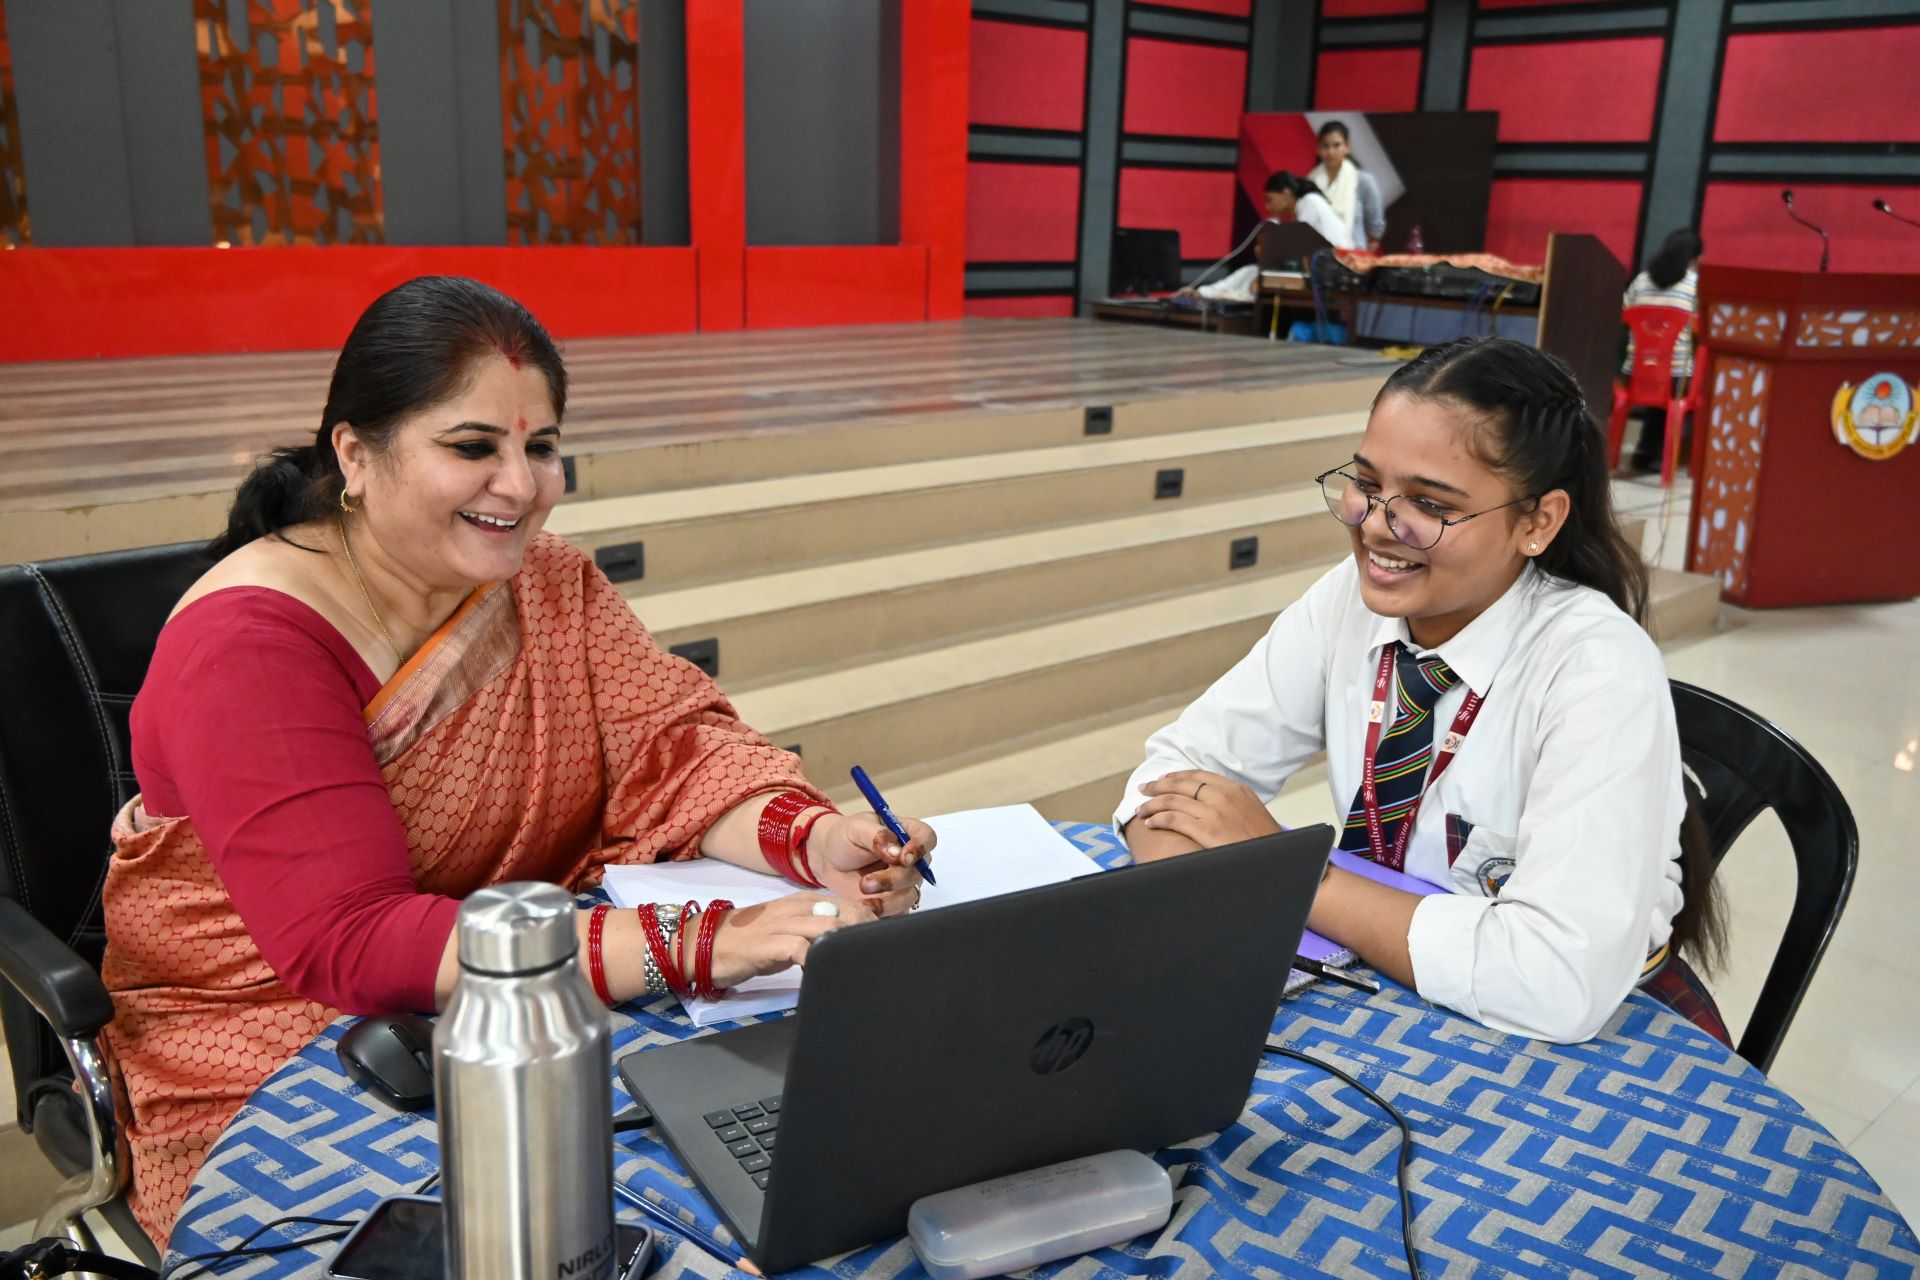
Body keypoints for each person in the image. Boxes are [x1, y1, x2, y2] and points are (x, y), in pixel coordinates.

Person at [99, 276, 936, 1245]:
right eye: (472, 447)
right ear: (355, 455)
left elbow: (669, 752)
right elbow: (351, 941)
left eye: (539, 448)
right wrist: (710, 941)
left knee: (779, 1156)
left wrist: (816, 840)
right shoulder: (250, 646)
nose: (520, 484)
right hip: (277, 1036)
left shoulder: (544, 579)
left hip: (529, 972)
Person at [1114, 336, 1724, 1047]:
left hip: (1579, 1032)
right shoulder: (1347, 602)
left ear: (1537, 522)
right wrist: (1208, 885)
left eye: (1429, 504)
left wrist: (1288, 875)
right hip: (1379, 968)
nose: (1377, 525)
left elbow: (1556, 982)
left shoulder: (1597, 669)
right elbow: (1172, 772)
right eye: (1367, 484)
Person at [1621, 229, 1703, 474]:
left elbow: (1624, 312)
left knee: (1661, 386)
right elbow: (1703, 325)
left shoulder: (1641, 281)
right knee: (1697, 389)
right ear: (1694, 259)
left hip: (1636, 372)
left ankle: (1646, 452)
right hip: (1676, 375)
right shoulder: (1695, 284)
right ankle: (1670, 456)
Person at [1306, 120, 1385, 253]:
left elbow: (1375, 229)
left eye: (1336, 145)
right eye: (1325, 146)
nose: (1331, 151)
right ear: (1318, 149)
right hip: (1318, 256)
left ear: (1347, 147)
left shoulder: (1363, 181)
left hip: (1354, 255)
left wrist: (1361, 255)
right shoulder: (1309, 183)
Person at [1263, 170, 1356, 251]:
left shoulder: (1309, 202)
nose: (1267, 207)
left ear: (1286, 193)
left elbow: (1298, 245)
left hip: (1342, 258)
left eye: (1270, 199)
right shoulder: (1300, 210)